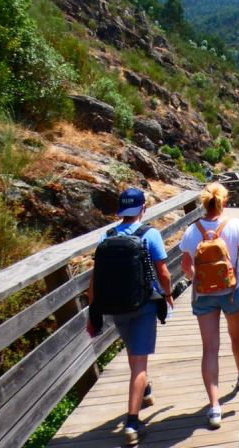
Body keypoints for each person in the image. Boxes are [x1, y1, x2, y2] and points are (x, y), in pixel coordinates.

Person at [86, 187, 173, 446]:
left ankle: (144, 390)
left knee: (134, 354)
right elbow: (164, 272)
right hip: (143, 306)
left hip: (116, 307)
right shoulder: (150, 234)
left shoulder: (106, 236)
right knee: (139, 365)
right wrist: (167, 295)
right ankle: (132, 423)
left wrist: (93, 311)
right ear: (142, 208)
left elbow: (95, 278)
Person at [179, 182, 239, 429]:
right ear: (224, 201)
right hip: (232, 291)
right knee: (236, 336)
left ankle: (214, 408)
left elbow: (186, 266)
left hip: (204, 295)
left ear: (204, 203)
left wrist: (199, 279)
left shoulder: (192, 231)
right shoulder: (235, 225)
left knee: (210, 348)